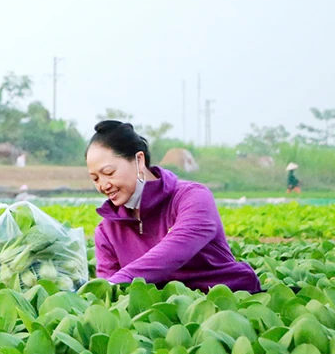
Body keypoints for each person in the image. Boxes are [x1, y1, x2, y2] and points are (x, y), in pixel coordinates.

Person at [86, 120, 261, 293]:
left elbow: (174, 251)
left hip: (233, 302)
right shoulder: (106, 230)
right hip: (161, 317)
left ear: (139, 160)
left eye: (108, 173)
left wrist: (115, 281)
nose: (103, 185)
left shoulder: (192, 197)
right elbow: (109, 295)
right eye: (95, 178)